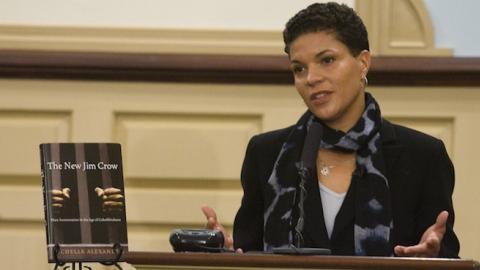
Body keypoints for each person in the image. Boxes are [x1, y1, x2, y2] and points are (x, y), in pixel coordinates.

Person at [202, 2, 459, 257]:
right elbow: (250, 252)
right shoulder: (266, 153)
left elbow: (443, 250)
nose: (311, 78)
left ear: (363, 63)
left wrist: (433, 258)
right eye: (299, 68)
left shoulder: (423, 155)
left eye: (327, 60)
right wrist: (229, 254)